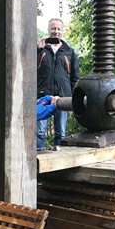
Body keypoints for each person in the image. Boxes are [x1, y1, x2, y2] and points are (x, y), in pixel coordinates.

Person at [36, 18, 79, 149]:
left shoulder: (69, 51)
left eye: (58, 29)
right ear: (48, 30)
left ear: (62, 31)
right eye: (53, 28)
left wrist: (73, 97)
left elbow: (75, 77)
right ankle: (36, 161)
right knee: (39, 132)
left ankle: (58, 163)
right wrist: (37, 49)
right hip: (43, 96)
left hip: (63, 97)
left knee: (60, 133)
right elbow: (29, 70)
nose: (56, 32)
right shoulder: (41, 50)